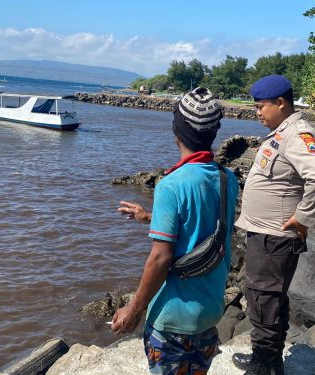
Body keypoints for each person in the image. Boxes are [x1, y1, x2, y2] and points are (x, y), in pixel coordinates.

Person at [111, 87, 239, 375]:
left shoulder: (171, 184)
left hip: (173, 320)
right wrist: (149, 217)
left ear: (177, 130)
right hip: (208, 311)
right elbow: (202, 223)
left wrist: (134, 309)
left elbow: (160, 259)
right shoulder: (227, 179)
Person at [230, 75, 315, 375]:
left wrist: (303, 217)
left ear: (280, 103)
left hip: (275, 236)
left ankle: (264, 366)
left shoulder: (296, 134)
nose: (257, 113)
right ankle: (269, 360)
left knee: (264, 297)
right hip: (265, 232)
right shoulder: (282, 132)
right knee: (268, 297)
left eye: (261, 107)